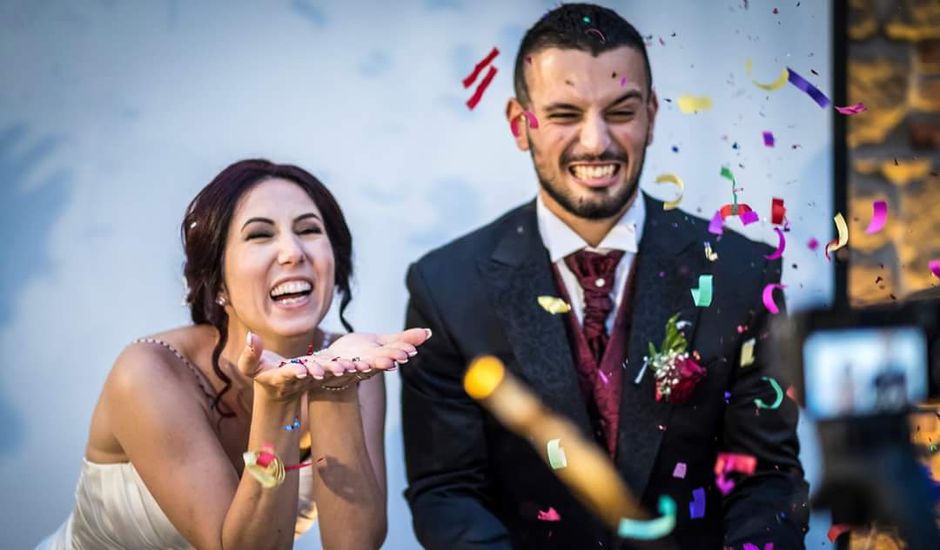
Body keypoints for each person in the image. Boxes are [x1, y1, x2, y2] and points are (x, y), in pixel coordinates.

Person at [400, 4, 808, 549]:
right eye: (565, 114)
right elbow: (447, 494)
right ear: (521, 124)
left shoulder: (741, 272)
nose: (596, 142)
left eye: (620, 111)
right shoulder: (445, 289)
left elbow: (766, 480)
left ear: (652, 115)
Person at [38, 159, 431, 550]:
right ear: (218, 282)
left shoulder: (351, 362)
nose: (292, 252)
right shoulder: (148, 373)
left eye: (309, 230)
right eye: (260, 235)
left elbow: (353, 544)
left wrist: (335, 390)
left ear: (336, 263)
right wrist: (277, 403)